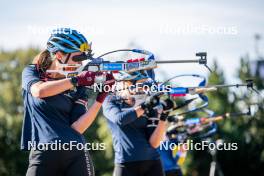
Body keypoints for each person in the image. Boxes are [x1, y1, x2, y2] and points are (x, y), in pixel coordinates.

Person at [21, 28, 114, 176]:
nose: (80, 64)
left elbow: (78, 127)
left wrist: (100, 98)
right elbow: (39, 91)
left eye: (83, 60)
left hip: (75, 152)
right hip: (43, 152)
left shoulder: (79, 85)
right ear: (59, 55)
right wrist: (76, 79)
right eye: (77, 59)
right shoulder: (33, 72)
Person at [102, 69, 175, 176]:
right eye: (142, 84)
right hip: (125, 164)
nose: (144, 89)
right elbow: (120, 119)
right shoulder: (110, 100)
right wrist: (145, 106)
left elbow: (154, 143)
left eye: (146, 85)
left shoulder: (148, 103)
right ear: (127, 83)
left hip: (152, 163)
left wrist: (163, 117)